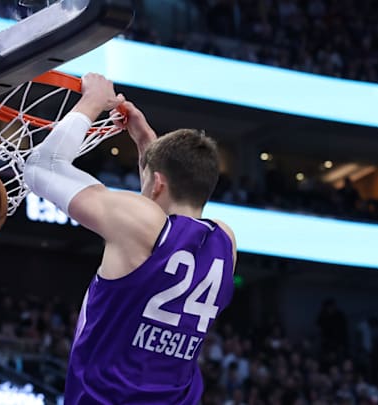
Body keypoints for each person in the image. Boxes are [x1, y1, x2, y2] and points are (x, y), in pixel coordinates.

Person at [23, 73, 236, 403]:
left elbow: (41, 167)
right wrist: (147, 145)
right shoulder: (225, 241)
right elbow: (160, 215)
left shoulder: (144, 226)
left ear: (158, 183)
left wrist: (93, 100)